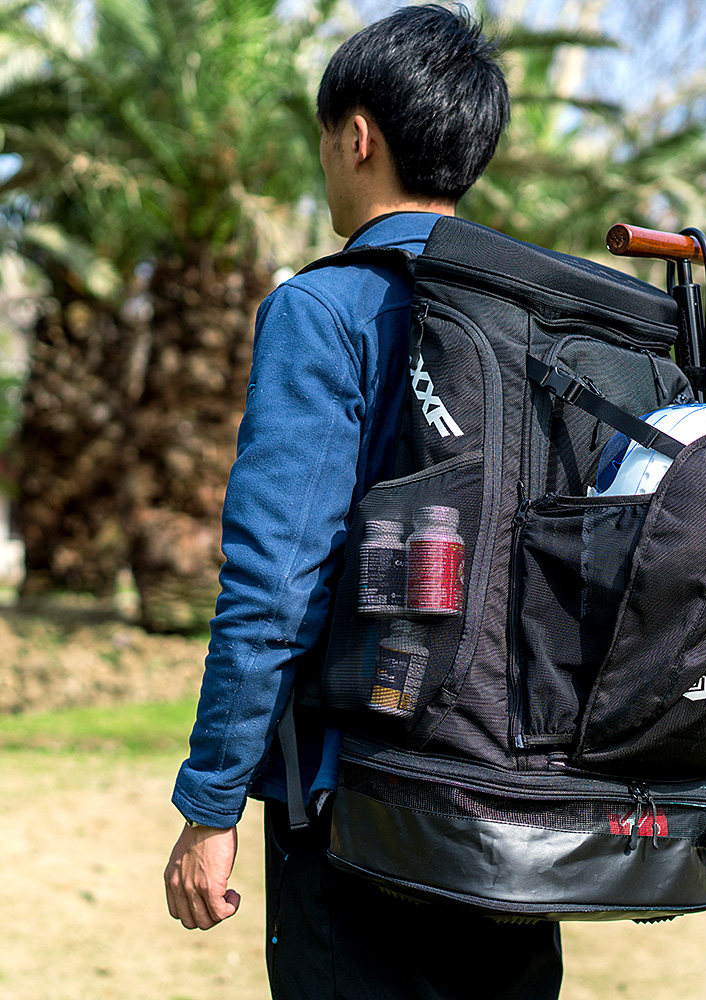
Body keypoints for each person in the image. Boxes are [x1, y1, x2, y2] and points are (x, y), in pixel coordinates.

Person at [162, 5, 564, 998]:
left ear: (356, 136)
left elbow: (275, 582)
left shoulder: (324, 309)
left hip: (357, 801)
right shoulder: (542, 315)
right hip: (520, 802)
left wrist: (211, 803)